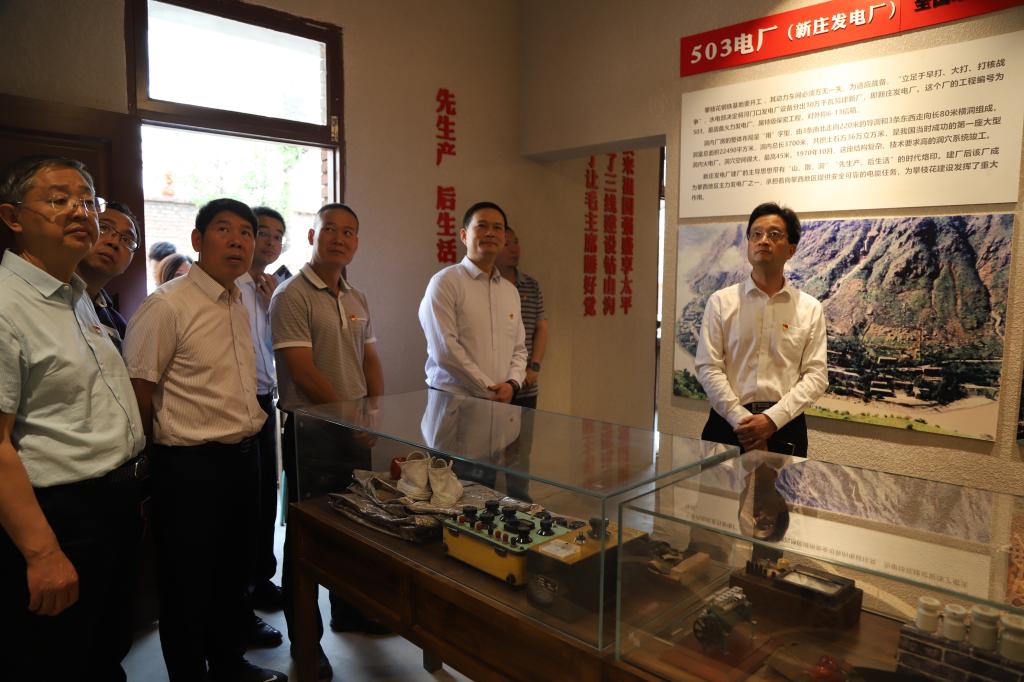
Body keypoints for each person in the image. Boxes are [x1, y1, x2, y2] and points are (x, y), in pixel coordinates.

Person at [124, 198, 287, 682]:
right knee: (187, 581)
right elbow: (139, 390)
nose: (238, 241)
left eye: (246, 233)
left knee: (233, 572)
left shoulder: (238, 301)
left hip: (242, 458)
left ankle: (229, 663)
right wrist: (150, 468)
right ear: (197, 239)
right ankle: (190, 673)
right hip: (189, 465)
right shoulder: (167, 305)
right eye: (223, 229)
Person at [0, 156, 147, 681]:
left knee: (106, 647)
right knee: (59, 658)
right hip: (61, 515)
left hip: (114, 505)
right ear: (13, 218)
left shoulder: (77, 293)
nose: (80, 212)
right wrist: (42, 554)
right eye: (59, 199)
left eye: (87, 201)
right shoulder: (7, 304)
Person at [271, 202, 386, 679]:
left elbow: (370, 360)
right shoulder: (291, 295)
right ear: (311, 236)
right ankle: (306, 642)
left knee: (355, 527)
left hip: (355, 430)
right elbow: (301, 371)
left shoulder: (357, 296)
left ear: (357, 242)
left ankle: (350, 609)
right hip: (312, 435)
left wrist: (374, 412)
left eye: (349, 232)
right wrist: (350, 417)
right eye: (330, 230)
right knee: (308, 542)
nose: (340, 238)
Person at [694, 202, 827, 457]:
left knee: (780, 487)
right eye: (756, 234)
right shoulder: (721, 302)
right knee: (718, 485)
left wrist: (770, 421)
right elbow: (708, 368)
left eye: (774, 234)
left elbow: (816, 376)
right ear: (748, 244)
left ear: (791, 250)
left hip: (784, 427)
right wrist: (743, 422)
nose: (763, 240)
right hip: (727, 425)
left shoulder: (810, 308)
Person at [418, 201, 527, 403]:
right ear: (463, 235)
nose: (490, 233)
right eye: (482, 226)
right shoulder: (445, 282)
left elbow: (519, 349)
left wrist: (512, 384)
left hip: (500, 400)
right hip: (452, 401)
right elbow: (445, 351)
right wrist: (488, 389)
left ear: (504, 238)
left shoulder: (510, 291)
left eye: (497, 228)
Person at [237, 206, 285, 616]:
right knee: (243, 500)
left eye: (277, 236)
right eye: (263, 233)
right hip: (235, 402)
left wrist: (272, 306)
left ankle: (262, 578)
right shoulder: (228, 285)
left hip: (265, 398)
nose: (270, 242)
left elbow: (273, 350)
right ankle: (242, 593)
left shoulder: (269, 288)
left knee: (267, 493)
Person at [75, 201, 140, 353]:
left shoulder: (118, 325)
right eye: (104, 228)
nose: (114, 242)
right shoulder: (49, 298)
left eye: (126, 240)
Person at [496, 225, 548, 409]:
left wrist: (534, 367)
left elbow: (541, 328)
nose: (514, 249)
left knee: (525, 428)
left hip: (525, 385)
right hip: (495, 386)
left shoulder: (531, 285)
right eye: (507, 244)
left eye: (516, 242)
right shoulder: (485, 286)